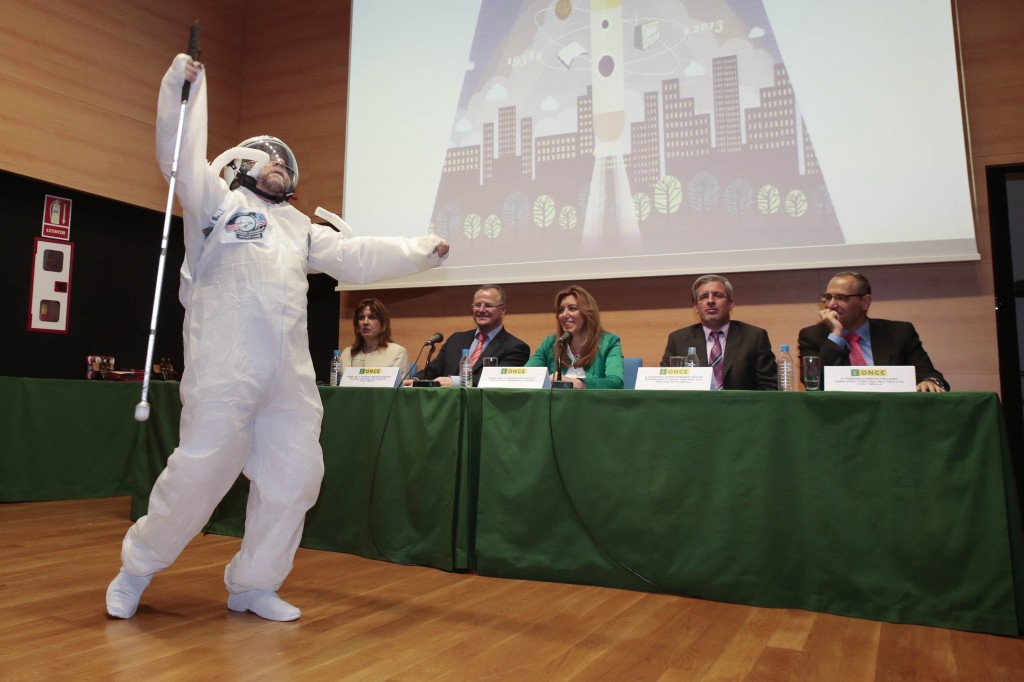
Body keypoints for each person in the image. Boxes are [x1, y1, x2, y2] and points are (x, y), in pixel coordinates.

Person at [105, 53, 449, 623]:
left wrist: (419, 251)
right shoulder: (216, 205)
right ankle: (136, 569)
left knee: (295, 481)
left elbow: (354, 254)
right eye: (270, 159)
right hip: (226, 373)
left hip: (287, 382)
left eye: (286, 163)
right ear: (241, 163)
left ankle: (253, 584)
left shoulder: (297, 228)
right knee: (196, 478)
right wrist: (181, 88)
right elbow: (181, 158)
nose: (281, 167)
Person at [797, 271, 949, 392]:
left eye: (841, 298)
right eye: (827, 297)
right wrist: (836, 335)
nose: (831, 305)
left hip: (890, 414)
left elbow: (929, 374)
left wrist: (929, 382)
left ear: (865, 302)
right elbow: (813, 382)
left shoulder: (899, 333)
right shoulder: (812, 336)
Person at [659, 274, 777, 390]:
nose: (710, 301)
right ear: (696, 307)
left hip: (741, 408)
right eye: (704, 297)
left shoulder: (754, 337)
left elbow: (769, 387)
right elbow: (663, 384)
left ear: (730, 304)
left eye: (717, 295)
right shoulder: (678, 340)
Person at [407, 284, 530, 387]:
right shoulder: (456, 339)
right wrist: (415, 380)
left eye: (487, 305)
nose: (481, 310)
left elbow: (498, 380)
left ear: (502, 310)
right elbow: (433, 371)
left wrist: (454, 382)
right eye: (477, 305)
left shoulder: (516, 347)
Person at [525, 284, 624, 389]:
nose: (565, 314)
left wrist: (578, 383)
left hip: (593, 404)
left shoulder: (608, 342)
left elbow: (616, 382)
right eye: (561, 310)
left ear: (587, 313)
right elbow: (526, 374)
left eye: (572, 308)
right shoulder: (551, 343)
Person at [340, 298, 408, 371]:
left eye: (372, 317)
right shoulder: (347, 353)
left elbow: (399, 382)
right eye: (361, 318)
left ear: (383, 323)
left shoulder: (397, 353)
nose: (365, 322)